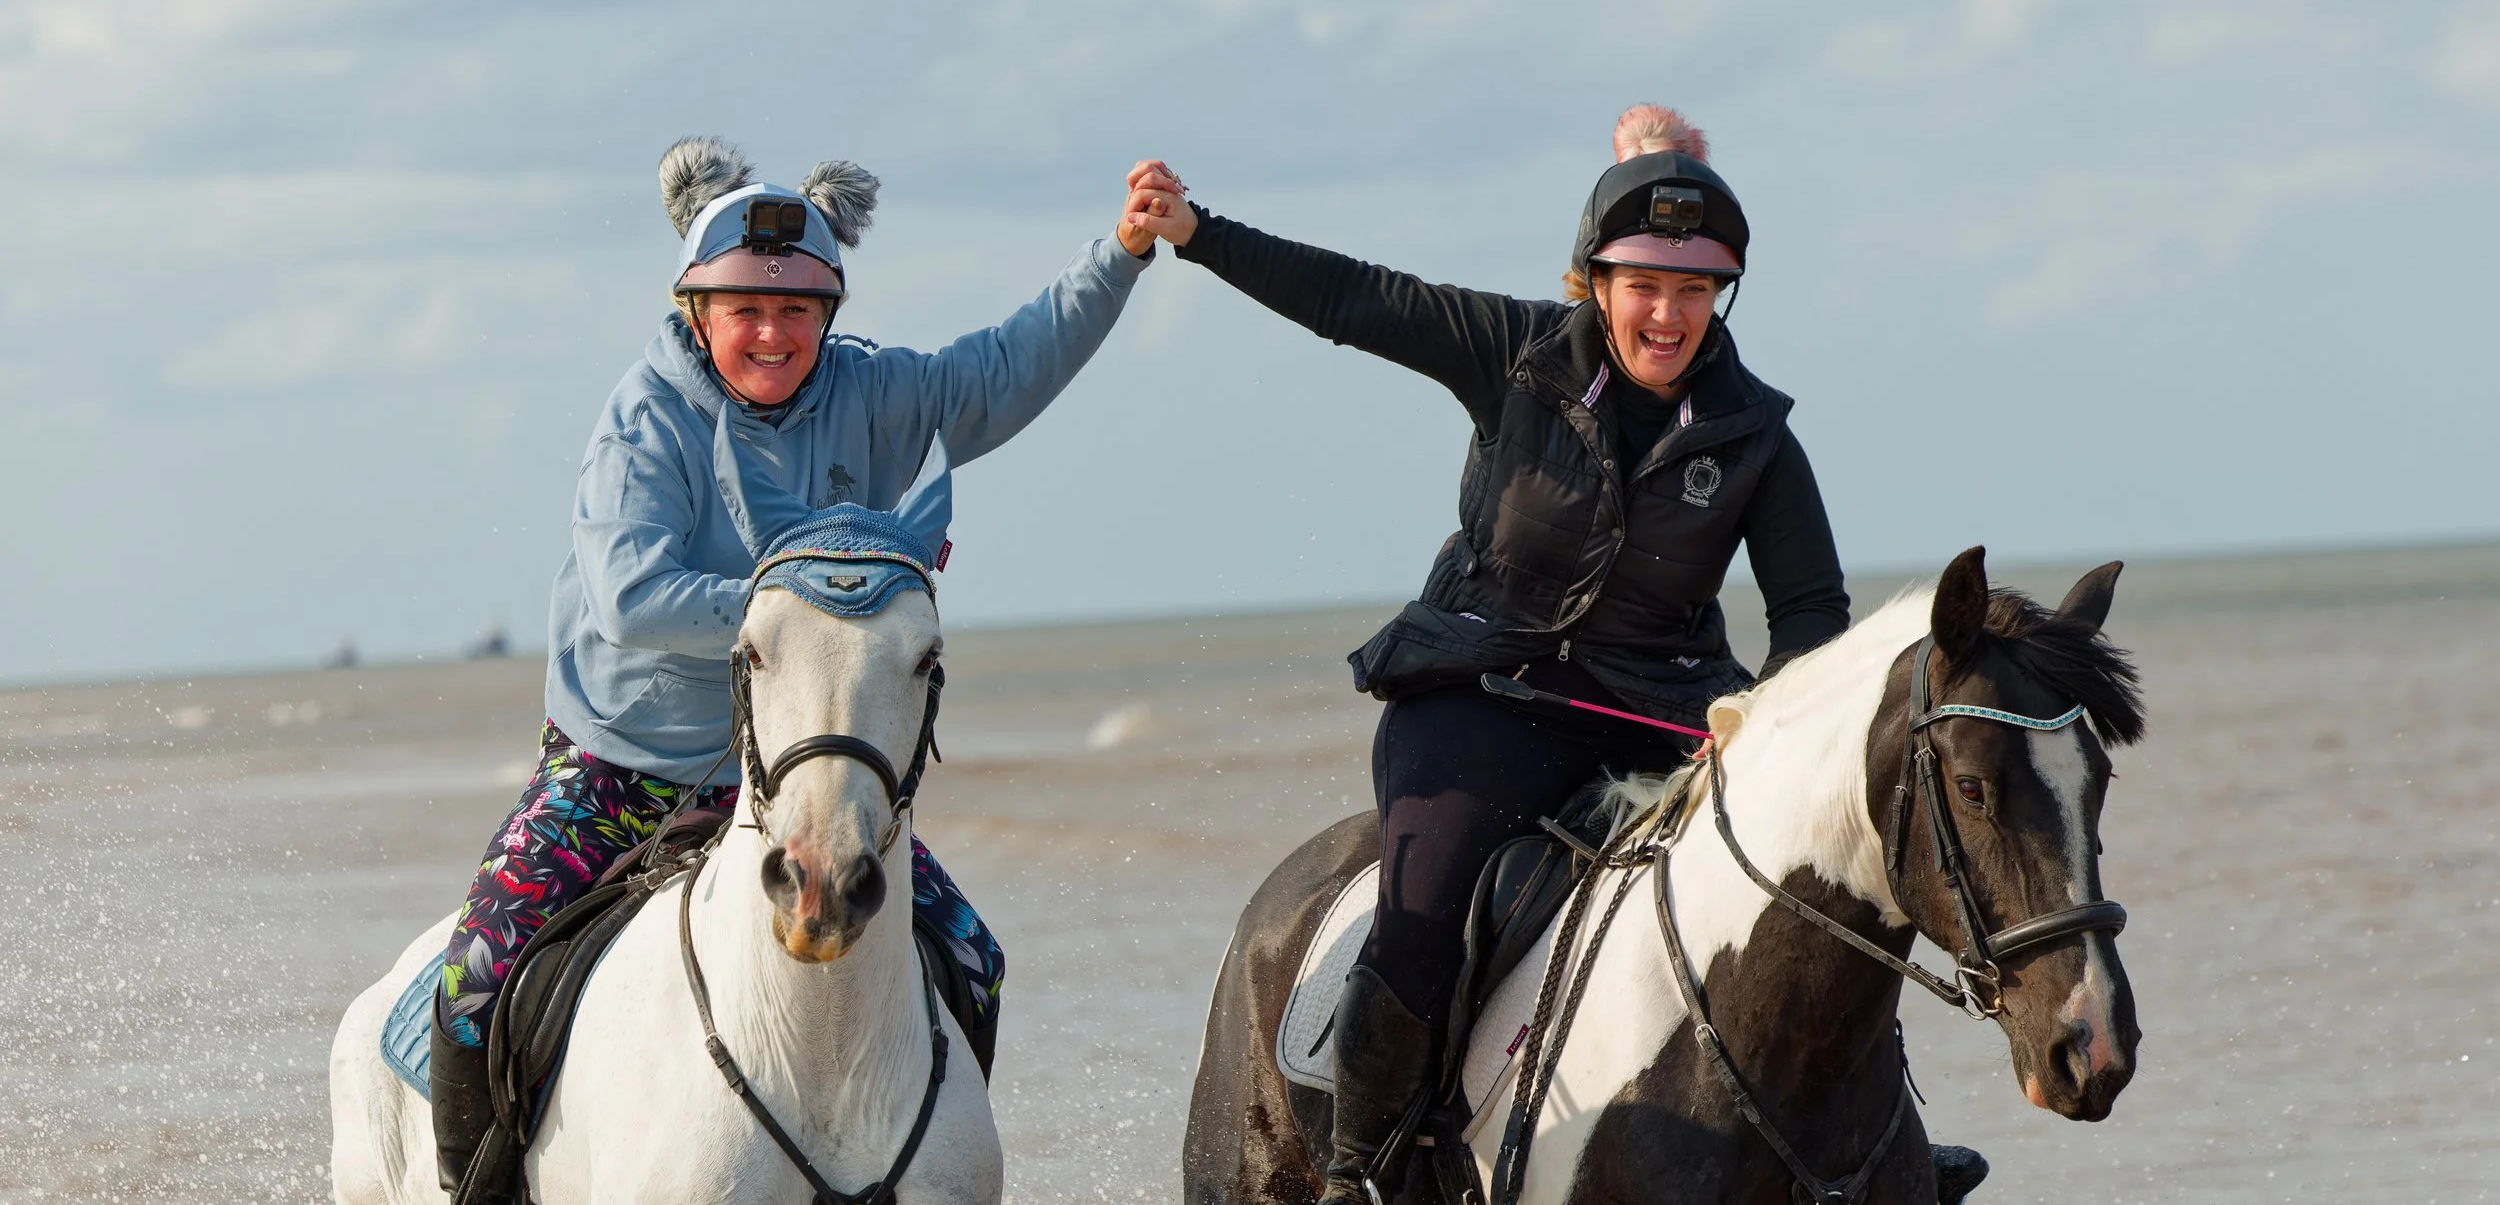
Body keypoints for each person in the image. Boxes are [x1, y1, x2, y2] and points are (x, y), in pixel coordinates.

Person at [1127, 108, 1858, 1202]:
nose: (1668, 314)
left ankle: (1872, 1146)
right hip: (1482, 698)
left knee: (1810, 910)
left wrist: (1755, 734)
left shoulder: (1756, 432)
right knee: (1420, 921)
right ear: (1594, 282)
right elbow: (1353, 299)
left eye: (1695, 291)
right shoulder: (1513, 356)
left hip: (1665, 718)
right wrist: (1199, 230)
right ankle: (1361, 1170)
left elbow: (1810, 613)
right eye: (1644, 286)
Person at [429, 138, 1168, 1200]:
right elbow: (629, 596)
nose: (772, 334)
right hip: (622, 765)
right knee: (472, 981)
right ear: (697, 310)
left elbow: (1003, 368)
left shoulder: (870, 393)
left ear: (828, 314)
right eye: (744, 310)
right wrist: (801, 612)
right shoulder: (647, 418)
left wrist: (1124, 253)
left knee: (975, 959)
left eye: (797, 312)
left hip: (787, 773)